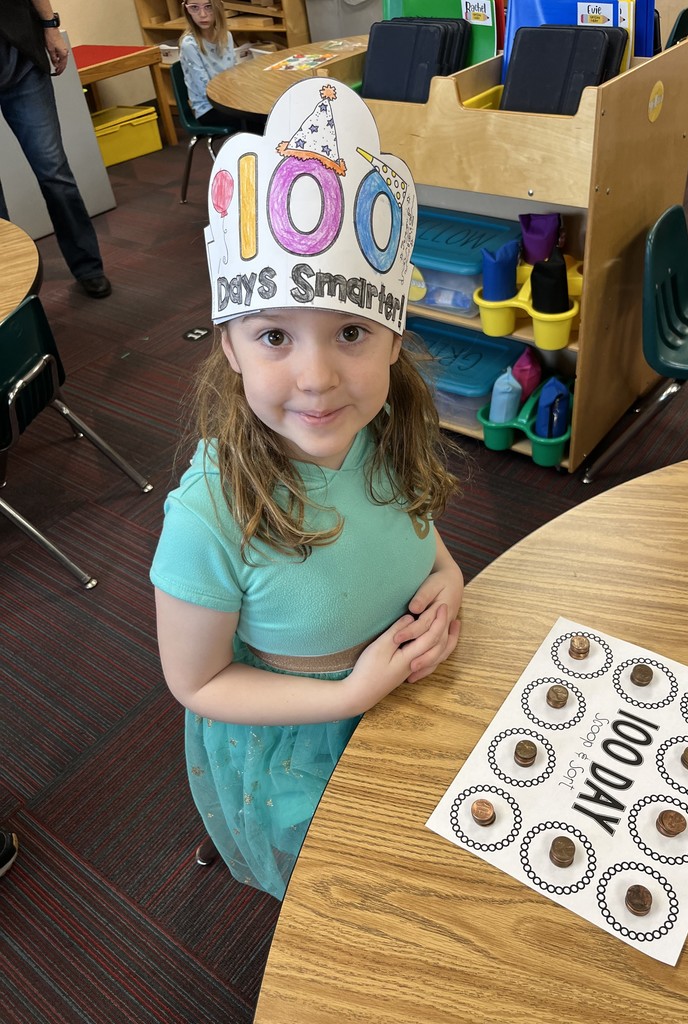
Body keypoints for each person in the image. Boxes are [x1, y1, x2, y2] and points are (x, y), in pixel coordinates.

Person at [151, 80, 464, 900]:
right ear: (232, 345)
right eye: (276, 336)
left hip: (410, 691)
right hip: (300, 740)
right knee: (345, 894)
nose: (318, 379)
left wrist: (448, 574)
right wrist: (352, 693)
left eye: (351, 333)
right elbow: (197, 682)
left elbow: (412, 526)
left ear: (392, 337)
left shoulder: (386, 432)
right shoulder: (207, 518)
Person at [0, 0, 111, 299]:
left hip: (19, 56)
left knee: (54, 172)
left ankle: (88, 267)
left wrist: (51, 27)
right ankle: (10, 290)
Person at [179, 0, 263, 132]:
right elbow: (204, 89)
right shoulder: (189, 45)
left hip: (230, 100)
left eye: (209, 7)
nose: (202, 14)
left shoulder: (225, 36)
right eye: (194, 8)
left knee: (263, 108)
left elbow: (232, 73)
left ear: (218, 7)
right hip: (208, 108)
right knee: (255, 118)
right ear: (186, 10)